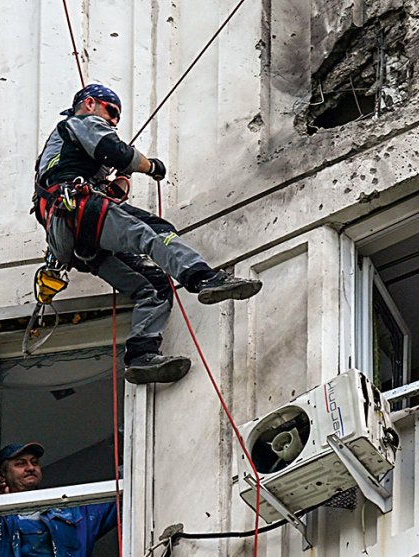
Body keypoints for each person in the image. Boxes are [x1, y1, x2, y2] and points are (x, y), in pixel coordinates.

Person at [33, 84, 261, 384]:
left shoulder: (60, 151)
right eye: (110, 112)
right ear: (89, 103)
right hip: (81, 210)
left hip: (73, 236)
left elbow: (110, 188)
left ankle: (141, 355)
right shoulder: (81, 122)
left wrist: (119, 181)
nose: (113, 121)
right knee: (155, 231)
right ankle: (204, 278)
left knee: (153, 285)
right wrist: (150, 166)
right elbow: (114, 151)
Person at [0, 442, 118, 557]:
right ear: (2, 476)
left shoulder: (73, 515)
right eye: (21, 464)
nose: (31, 468)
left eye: (35, 462)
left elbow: (122, 500)